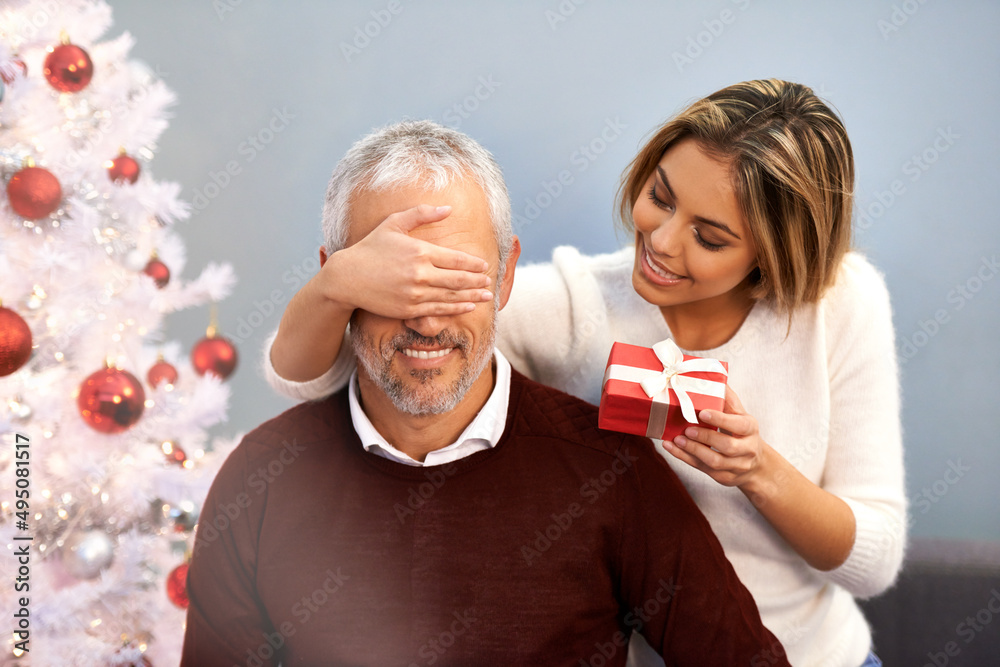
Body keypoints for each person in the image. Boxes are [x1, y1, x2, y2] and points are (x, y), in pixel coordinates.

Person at [262, 80, 907, 667]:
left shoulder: (842, 305)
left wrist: (756, 469)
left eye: (709, 238)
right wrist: (339, 281)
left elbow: (871, 562)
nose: (661, 239)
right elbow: (314, 376)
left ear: (772, 256)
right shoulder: (577, 305)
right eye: (660, 196)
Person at [181, 120, 788, 666]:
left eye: (456, 279)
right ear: (336, 282)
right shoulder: (261, 479)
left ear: (505, 277)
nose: (426, 320)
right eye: (396, 283)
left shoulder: (612, 471)